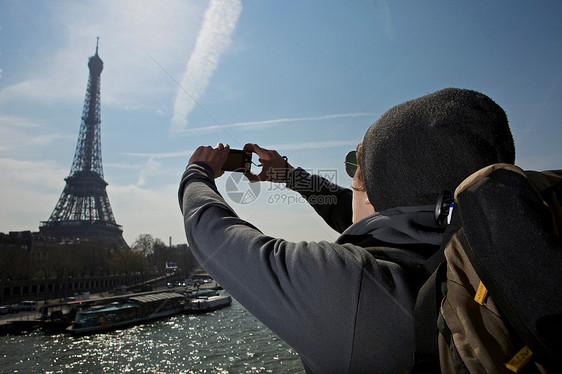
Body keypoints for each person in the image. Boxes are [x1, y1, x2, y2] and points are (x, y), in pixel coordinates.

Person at [178, 88, 515, 373]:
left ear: (374, 194)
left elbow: (215, 237)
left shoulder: (351, 286)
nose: (350, 181)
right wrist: (288, 174)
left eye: (355, 168)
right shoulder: (489, 247)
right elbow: (356, 212)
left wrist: (198, 172)